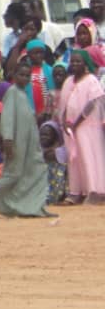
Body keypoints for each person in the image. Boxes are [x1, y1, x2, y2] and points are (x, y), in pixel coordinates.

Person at [0, 63, 56, 218]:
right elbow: (7, 118)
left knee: (34, 172)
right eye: (22, 75)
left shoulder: (22, 94)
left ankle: (32, 207)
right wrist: (8, 140)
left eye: (28, 76)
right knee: (13, 174)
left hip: (29, 146)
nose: (25, 78)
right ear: (14, 75)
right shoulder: (12, 93)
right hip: (16, 143)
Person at [55, 50, 105, 204]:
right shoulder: (68, 81)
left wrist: (76, 123)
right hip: (70, 128)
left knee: (88, 157)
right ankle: (76, 192)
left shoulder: (91, 80)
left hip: (86, 126)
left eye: (78, 61)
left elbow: (92, 104)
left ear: (85, 64)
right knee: (74, 160)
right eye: (73, 61)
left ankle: (93, 190)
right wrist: (64, 121)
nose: (75, 64)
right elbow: (63, 105)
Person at [39, 121, 68, 205]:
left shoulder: (61, 150)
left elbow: (52, 156)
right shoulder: (38, 149)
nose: (43, 137)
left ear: (55, 136)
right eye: (41, 135)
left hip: (56, 184)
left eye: (47, 135)